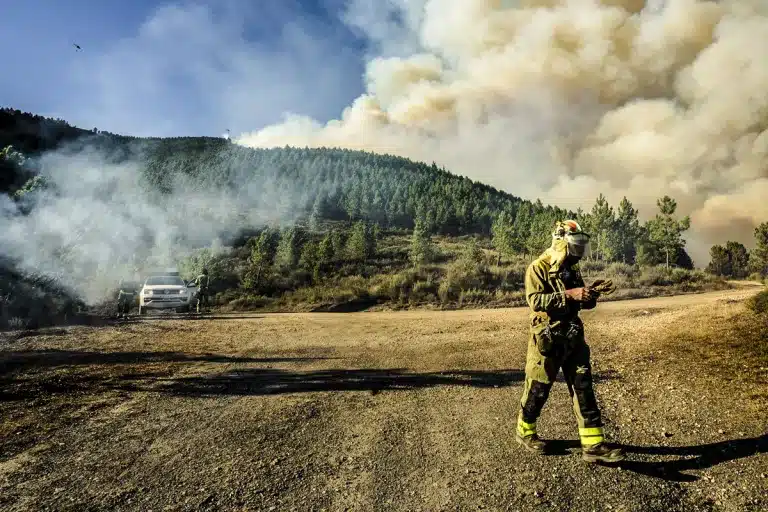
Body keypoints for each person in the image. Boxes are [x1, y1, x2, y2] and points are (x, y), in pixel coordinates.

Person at [515, 220, 625, 463]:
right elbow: (535, 301)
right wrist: (569, 295)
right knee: (539, 388)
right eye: (575, 246)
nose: (579, 251)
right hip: (548, 338)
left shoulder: (571, 269)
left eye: (581, 246)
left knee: (583, 387)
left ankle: (593, 446)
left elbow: (579, 299)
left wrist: (589, 295)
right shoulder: (538, 267)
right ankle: (525, 431)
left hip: (573, 335)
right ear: (561, 242)